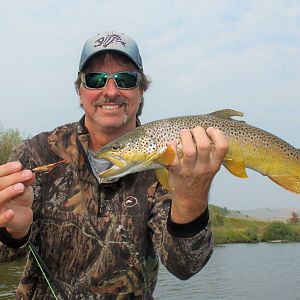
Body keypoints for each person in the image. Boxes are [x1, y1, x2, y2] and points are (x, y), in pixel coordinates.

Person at [0, 31, 227, 299]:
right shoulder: (34, 154)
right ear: (80, 90)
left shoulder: (170, 162)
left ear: (141, 91)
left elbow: (185, 266)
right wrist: (12, 231)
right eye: (95, 79)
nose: (110, 91)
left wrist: (192, 196)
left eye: (126, 79)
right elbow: (5, 256)